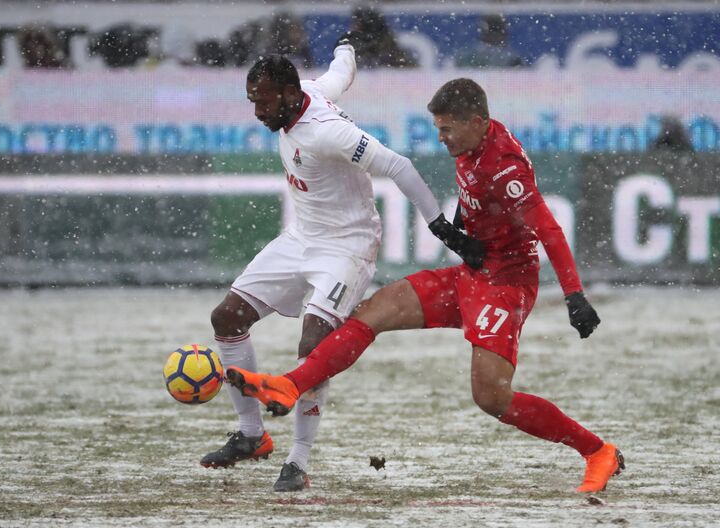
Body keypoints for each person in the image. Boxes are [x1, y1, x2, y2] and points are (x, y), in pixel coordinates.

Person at [225, 78, 625, 494]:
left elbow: (550, 231)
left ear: (476, 122)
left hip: (505, 284)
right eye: (438, 128)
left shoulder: (504, 166)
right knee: (373, 311)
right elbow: (478, 196)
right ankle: (291, 383)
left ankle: (597, 451)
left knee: (491, 397)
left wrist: (574, 295)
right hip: (472, 273)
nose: (441, 137)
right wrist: (460, 225)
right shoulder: (473, 141)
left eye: (447, 129)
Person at [202, 44, 485, 493]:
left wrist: (442, 228)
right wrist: (347, 47)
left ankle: (298, 460)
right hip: (300, 238)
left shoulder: (328, 132)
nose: (257, 111)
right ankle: (252, 436)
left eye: (264, 101)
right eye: (252, 100)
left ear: (290, 93)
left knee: (313, 343)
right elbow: (342, 72)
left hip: (347, 247)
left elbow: (398, 165)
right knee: (226, 318)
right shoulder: (309, 91)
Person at [455, 14, 524, 69]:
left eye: (497, 32)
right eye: (492, 32)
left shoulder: (513, 60)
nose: (494, 37)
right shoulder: (469, 58)